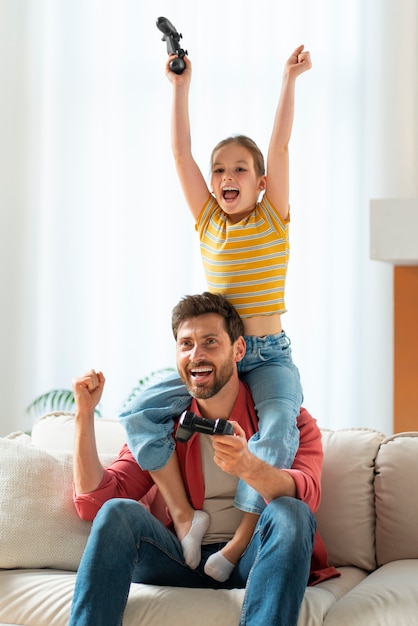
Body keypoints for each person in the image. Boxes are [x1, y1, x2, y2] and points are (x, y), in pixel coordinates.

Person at [120, 45, 312, 581]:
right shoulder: (208, 222)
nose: (229, 176)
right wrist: (180, 88)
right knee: (139, 413)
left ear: (261, 181)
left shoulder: (273, 219)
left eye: (241, 169)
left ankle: (239, 545)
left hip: (267, 355)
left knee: (276, 429)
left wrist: (288, 80)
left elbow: (280, 143)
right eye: (220, 170)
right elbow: (181, 155)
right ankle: (186, 516)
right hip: (216, 359)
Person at [69, 292, 338, 626]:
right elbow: (95, 504)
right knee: (116, 512)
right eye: (186, 344)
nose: (197, 355)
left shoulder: (286, 422)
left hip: (254, 559)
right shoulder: (161, 425)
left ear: (238, 349)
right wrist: (84, 415)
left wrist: (248, 466)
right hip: (179, 558)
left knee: (291, 512)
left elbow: (306, 497)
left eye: (211, 342)